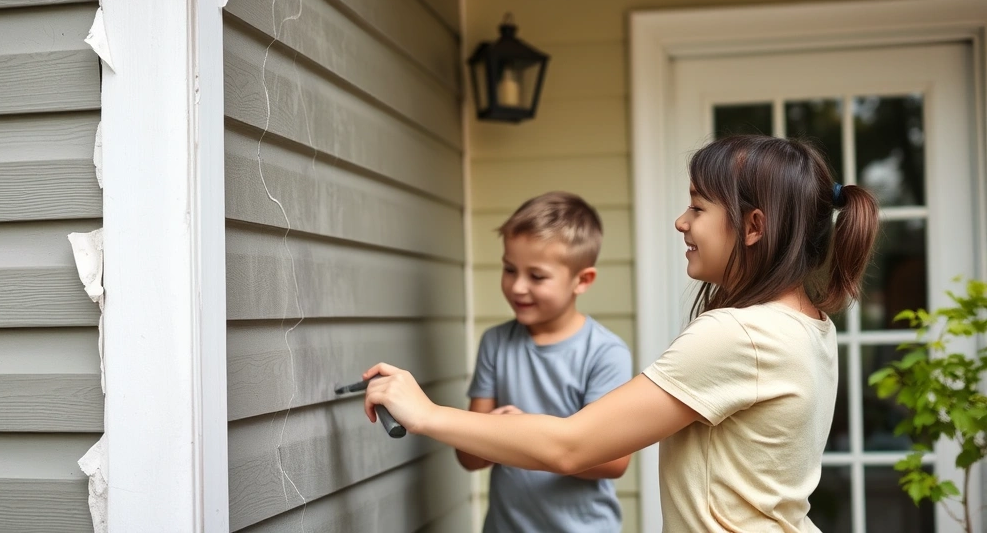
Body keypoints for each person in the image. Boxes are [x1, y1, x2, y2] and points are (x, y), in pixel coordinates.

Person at [362, 135, 879, 532]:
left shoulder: (741, 335)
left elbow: (574, 447)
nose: (682, 222)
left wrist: (427, 414)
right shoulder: (808, 325)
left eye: (698, 208)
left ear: (752, 227)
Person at [457, 191, 633, 533]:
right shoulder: (495, 343)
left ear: (582, 280)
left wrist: (520, 434)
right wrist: (490, 433)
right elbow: (468, 456)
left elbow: (613, 461)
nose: (518, 287)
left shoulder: (605, 353)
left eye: (536, 276)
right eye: (509, 269)